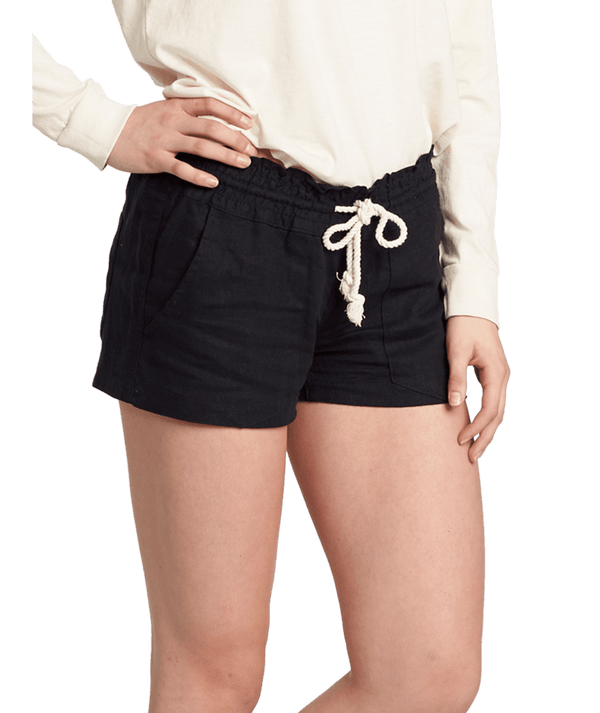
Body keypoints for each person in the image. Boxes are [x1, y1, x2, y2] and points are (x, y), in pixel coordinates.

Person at [31, 1, 510, 711]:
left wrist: (471, 281)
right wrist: (92, 122)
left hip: (396, 235)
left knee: (425, 672)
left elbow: (462, 36)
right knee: (213, 673)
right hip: (219, 213)